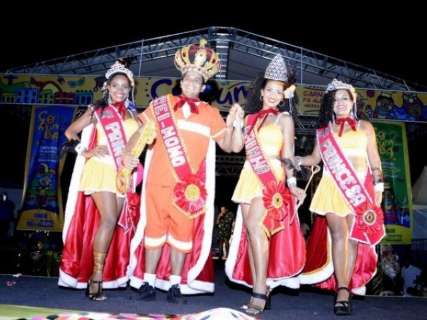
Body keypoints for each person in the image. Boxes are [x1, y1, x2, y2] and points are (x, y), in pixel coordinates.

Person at [123, 39, 241, 302]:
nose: (191, 84)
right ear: (181, 81)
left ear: (203, 86)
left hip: (189, 189)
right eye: (188, 79)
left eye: (197, 81)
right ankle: (148, 282)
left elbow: (231, 147)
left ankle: (176, 284)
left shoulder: (211, 114)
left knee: (181, 235)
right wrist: (128, 155)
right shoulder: (160, 105)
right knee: (153, 231)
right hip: (157, 182)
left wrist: (234, 124)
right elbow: (140, 132)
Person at [224, 54, 306, 316]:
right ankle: (262, 286)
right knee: (251, 233)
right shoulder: (250, 119)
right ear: (261, 91)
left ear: (283, 96)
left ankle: (259, 290)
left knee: (258, 229)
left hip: (271, 177)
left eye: (278, 91)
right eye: (269, 89)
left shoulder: (284, 119)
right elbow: (236, 147)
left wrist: (292, 183)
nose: (273, 94)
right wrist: (236, 124)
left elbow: (289, 154)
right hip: (249, 175)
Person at [298, 79, 386, 315]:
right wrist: (292, 158)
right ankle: (343, 290)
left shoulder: (365, 127)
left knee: (353, 239)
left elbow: (375, 162)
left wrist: (378, 190)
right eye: (335, 99)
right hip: (332, 186)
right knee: (340, 233)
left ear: (353, 100)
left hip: (360, 190)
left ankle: (344, 287)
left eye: (344, 98)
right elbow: (314, 159)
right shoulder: (324, 131)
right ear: (330, 104)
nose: (340, 103)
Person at [58, 60, 142, 300]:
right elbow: (70, 131)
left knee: (112, 222)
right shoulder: (97, 110)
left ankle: (98, 275)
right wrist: (86, 151)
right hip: (99, 168)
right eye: (115, 85)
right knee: (108, 218)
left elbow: (135, 147)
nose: (120, 90)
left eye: (124, 87)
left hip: (120, 174)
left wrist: (134, 160)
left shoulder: (135, 116)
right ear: (107, 87)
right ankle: (96, 278)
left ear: (130, 89)